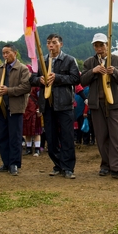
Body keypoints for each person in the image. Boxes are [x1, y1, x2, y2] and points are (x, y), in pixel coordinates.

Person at [30, 34, 80, 179]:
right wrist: (38, 79)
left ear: (61, 44)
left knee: (67, 137)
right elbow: (31, 79)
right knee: (51, 137)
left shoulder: (69, 60)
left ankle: (68, 167)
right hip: (47, 104)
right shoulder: (42, 61)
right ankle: (57, 165)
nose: (51, 45)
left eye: (54, 42)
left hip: (64, 104)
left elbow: (76, 79)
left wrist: (57, 77)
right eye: (48, 43)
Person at [80, 35, 118, 179]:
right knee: (101, 136)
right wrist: (93, 71)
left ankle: (117, 166)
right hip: (96, 104)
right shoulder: (89, 62)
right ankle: (105, 164)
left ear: (107, 45)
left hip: (114, 103)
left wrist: (114, 72)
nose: (99, 48)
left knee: (115, 134)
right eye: (96, 45)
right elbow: (82, 81)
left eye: (101, 45)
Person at [0, 44, 31, 176]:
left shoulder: (23, 69)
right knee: (2, 136)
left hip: (15, 108)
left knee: (15, 136)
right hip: (0, 106)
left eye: (7, 53)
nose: (5, 56)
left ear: (15, 52)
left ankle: (14, 163)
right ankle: (6, 162)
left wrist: (8, 91)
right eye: (3, 53)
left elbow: (26, 87)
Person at [23, 65, 43, 157]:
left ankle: (37, 149)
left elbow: (40, 97)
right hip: (25, 111)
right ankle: (28, 148)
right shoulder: (23, 84)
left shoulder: (36, 86)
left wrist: (40, 109)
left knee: (36, 132)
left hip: (35, 110)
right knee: (27, 132)